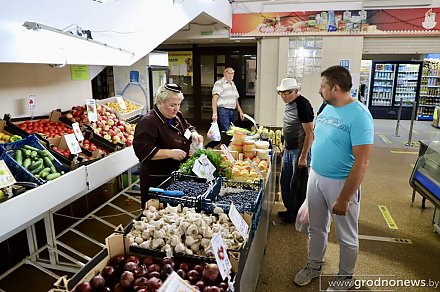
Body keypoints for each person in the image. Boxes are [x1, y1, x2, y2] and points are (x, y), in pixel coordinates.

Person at [293, 65, 374, 291]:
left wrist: (345, 198)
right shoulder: (326, 107)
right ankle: (314, 266)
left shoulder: (360, 116)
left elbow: (362, 162)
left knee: (346, 236)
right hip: (316, 177)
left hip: (340, 184)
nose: (320, 90)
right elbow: (321, 139)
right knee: (316, 228)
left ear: (335, 88)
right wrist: (312, 169)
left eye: (323, 87)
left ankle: (345, 278)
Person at [133, 83, 203, 209]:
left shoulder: (177, 116)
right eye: (172, 105)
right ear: (160, 102)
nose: (176, 109)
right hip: (157, 179)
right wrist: (170, 153)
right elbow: (142, 151)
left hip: (175, 176)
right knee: (157, 213)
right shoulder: (148, 122)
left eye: (178, 104)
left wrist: (194, 133)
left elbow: (188, 126)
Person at [276, 78, 314, 224]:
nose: (284, 96)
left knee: (297, 185)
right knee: (285, 182)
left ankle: (297, 215)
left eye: (287, 92)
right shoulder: (289, 104)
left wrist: (303, 156)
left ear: (296, 91)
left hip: (299, 150)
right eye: (281, 93)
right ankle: (289, 210)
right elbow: (290, 125)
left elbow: (309, 133)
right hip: (289, 149)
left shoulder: (303, 104)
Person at [211, 67, 245, 133]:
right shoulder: (219, 83)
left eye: (232, 73)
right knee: (227, 131)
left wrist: (240, 111)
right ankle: (224, 143)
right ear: (224, 74)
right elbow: (214, 99)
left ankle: (226, 143)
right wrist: (214, 113)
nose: (230, 75)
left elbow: (235, 99)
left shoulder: (233, 84)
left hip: (232, 111)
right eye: (228, 73)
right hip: (223, 111)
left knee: (232, 131)